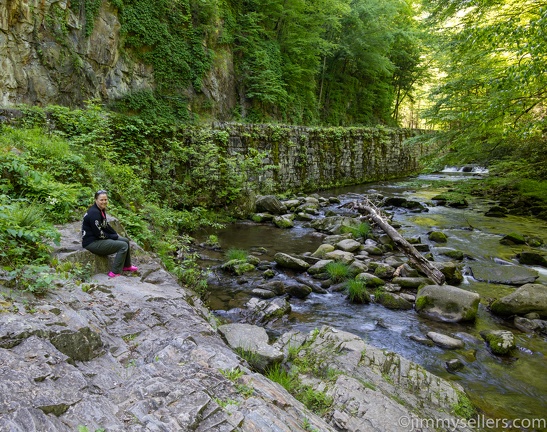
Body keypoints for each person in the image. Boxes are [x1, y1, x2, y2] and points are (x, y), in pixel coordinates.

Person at [82, 190, 138, 278]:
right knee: (123, 246)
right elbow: (99, 234)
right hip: (92, 243)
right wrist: (111, 236)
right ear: (96, 200)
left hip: (98, 239)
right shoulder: (94, 213)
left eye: (105, 200)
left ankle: (126, 266)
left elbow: (105, 225)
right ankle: (114, 272)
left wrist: (115, 234)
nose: (104, 202)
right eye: (101, 200)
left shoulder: (101, 209)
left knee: (125, 241)